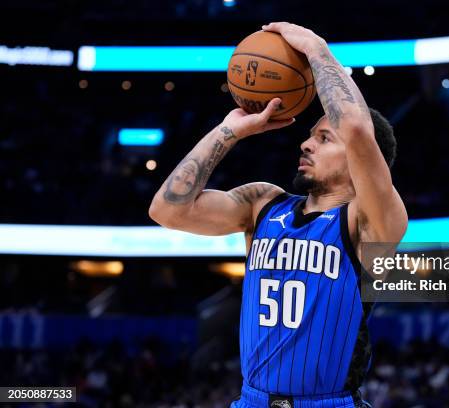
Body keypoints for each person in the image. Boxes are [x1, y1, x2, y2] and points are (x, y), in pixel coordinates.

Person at [149, 22, 407, 408]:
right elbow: (167, 210)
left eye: (323, 138)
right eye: (310, 135)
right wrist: (228, 131)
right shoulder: (263, 203)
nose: (305, 143)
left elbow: (354, 128)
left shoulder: (370, 222)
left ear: (359, 160)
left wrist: (317, 49)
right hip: (251, 401)